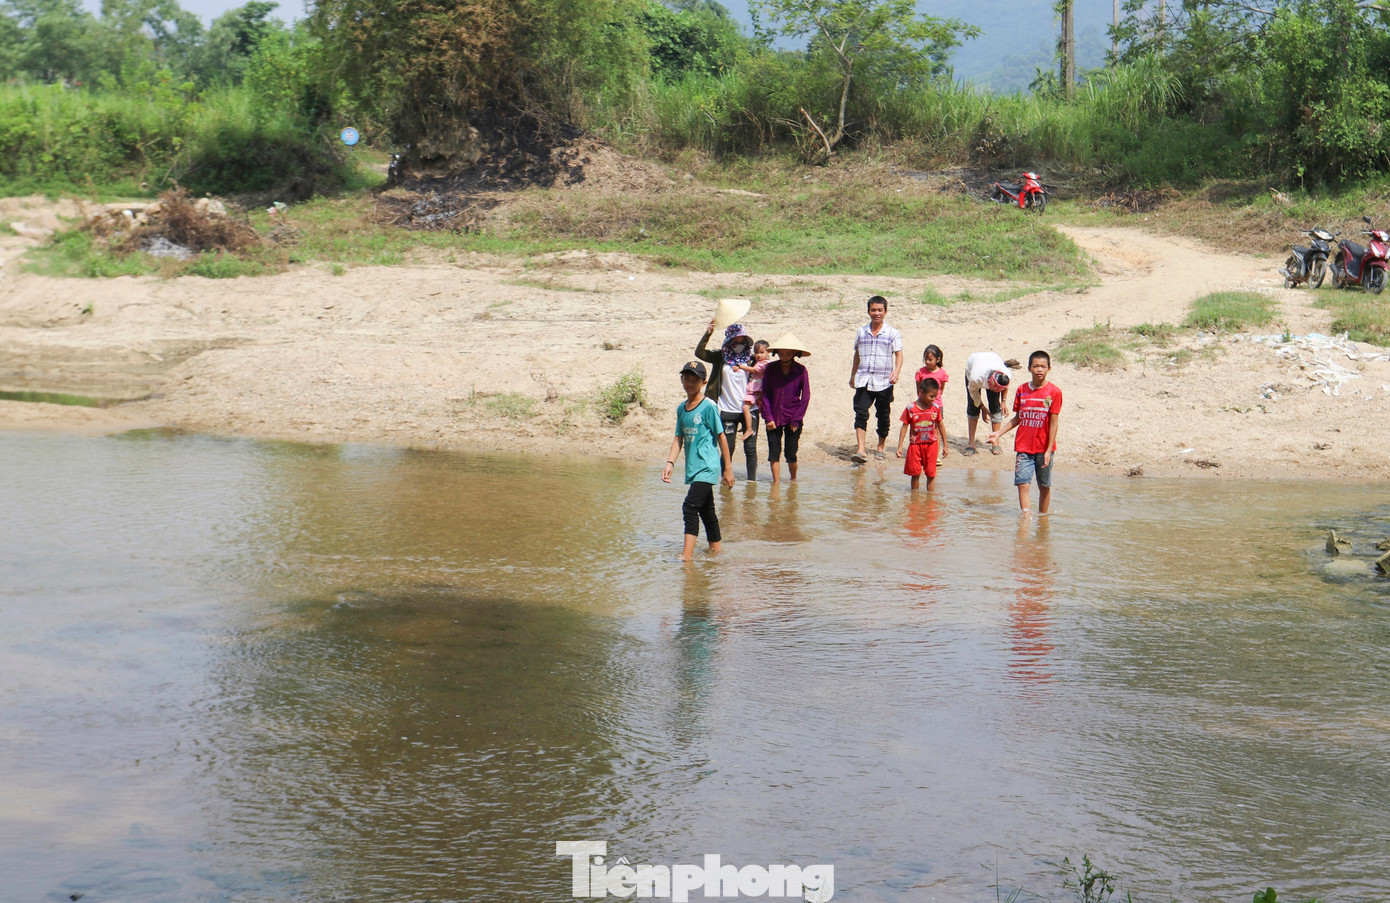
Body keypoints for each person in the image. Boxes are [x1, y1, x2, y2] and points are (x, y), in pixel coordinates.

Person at [662, 360, 735, 560]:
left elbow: (722, 437)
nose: (690, 383)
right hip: (694, 469)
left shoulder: (709, 407)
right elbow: (679, 438)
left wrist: (727, 468)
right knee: (706, 511)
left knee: (689, 506)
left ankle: (687, 555)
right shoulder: (682, 408)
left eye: (695, 380)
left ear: (703, 382)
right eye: (687, 379)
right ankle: (717, 553)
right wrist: (670, 463)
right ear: (682, 379)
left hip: (708, 467)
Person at [989, 350, 1061, 515]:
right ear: (1029, 368)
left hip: (1044, 448)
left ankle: (1043, 517)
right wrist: (998, 433)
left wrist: (1049, 450)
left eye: (1043, 366)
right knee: (1022, 484)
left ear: (1049, 368)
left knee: (1044, 485)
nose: (1039, 370)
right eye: (1035, 366)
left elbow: (1054, 423)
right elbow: (1018, 418)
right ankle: (1026, 517)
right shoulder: (1022, 390)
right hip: (1023, 447)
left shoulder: (1054, 392)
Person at [695, 320, 759, 481]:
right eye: (735, 341)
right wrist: (708, 333)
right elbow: (700, 353)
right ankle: (725, 478)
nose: (739, 344)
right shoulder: (720, 357)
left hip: (749, 410)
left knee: (750, 449)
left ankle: (752, 483)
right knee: (727, 449)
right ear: (729, 341)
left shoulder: (751, 360)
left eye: (742, 341)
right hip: (726, 410)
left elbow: (765, 370)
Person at [849, 295, 903, 463]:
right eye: (873, 310)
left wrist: (897, 371)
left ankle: (880, 446)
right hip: (864, 379)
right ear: (868, 311)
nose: (876, 313)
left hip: (884, 381)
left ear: (885, 312)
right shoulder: (861, 332)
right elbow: (857, 355)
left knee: (883, 415)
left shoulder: (892, 333)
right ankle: (861, 449)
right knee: (860, 413)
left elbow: (899, 354)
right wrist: (853, 375)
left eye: (880, 310)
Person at [761, 333, 811, 484]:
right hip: (773, 416)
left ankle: (793, 481)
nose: (784, 355)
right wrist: (768, 417)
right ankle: (775, 484)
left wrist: (796, 420)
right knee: (774, 453)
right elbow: (765, 394)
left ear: (795, 353)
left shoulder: (801, 371)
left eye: (788, 353)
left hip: (792, 417)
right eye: (782, 352)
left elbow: (806, 397)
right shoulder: (770, 368)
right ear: (777, 353)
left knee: (791, 453)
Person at [896, 377, 948, 491]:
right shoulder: (911, 409)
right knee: (915, 474)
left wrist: (945, 445)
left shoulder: (935, 408)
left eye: (935, 396)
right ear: (922, 392)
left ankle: (930, 501)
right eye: (931, 396)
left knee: (931, 474)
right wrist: (900, 446)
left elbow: (940, 425)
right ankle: (914, 499)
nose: (934, 399)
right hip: (915, 445)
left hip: (931, 445)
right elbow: (904, 426)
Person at [962, 350, 1011, 455]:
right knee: (973, 407)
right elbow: (974, 395)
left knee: (995, 405)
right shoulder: (976, 378)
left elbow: (1005, 386)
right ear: (990, 383)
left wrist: (1003, 401)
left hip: (993, 359)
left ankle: (995, 441)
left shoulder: (1005, 374)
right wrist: (983, 408)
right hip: (973, 365)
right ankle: (971, 443)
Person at [736, 339, 771, 449]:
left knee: (746, 407)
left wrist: (740, 366)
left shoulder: (764, 364)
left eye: (761, 352)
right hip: (757, 390)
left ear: (768, 353)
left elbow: (753, 370)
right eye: (756, 352)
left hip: (756, 389)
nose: (758, 355)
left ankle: (749, 428)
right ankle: (747, 424)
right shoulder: (761, 362)